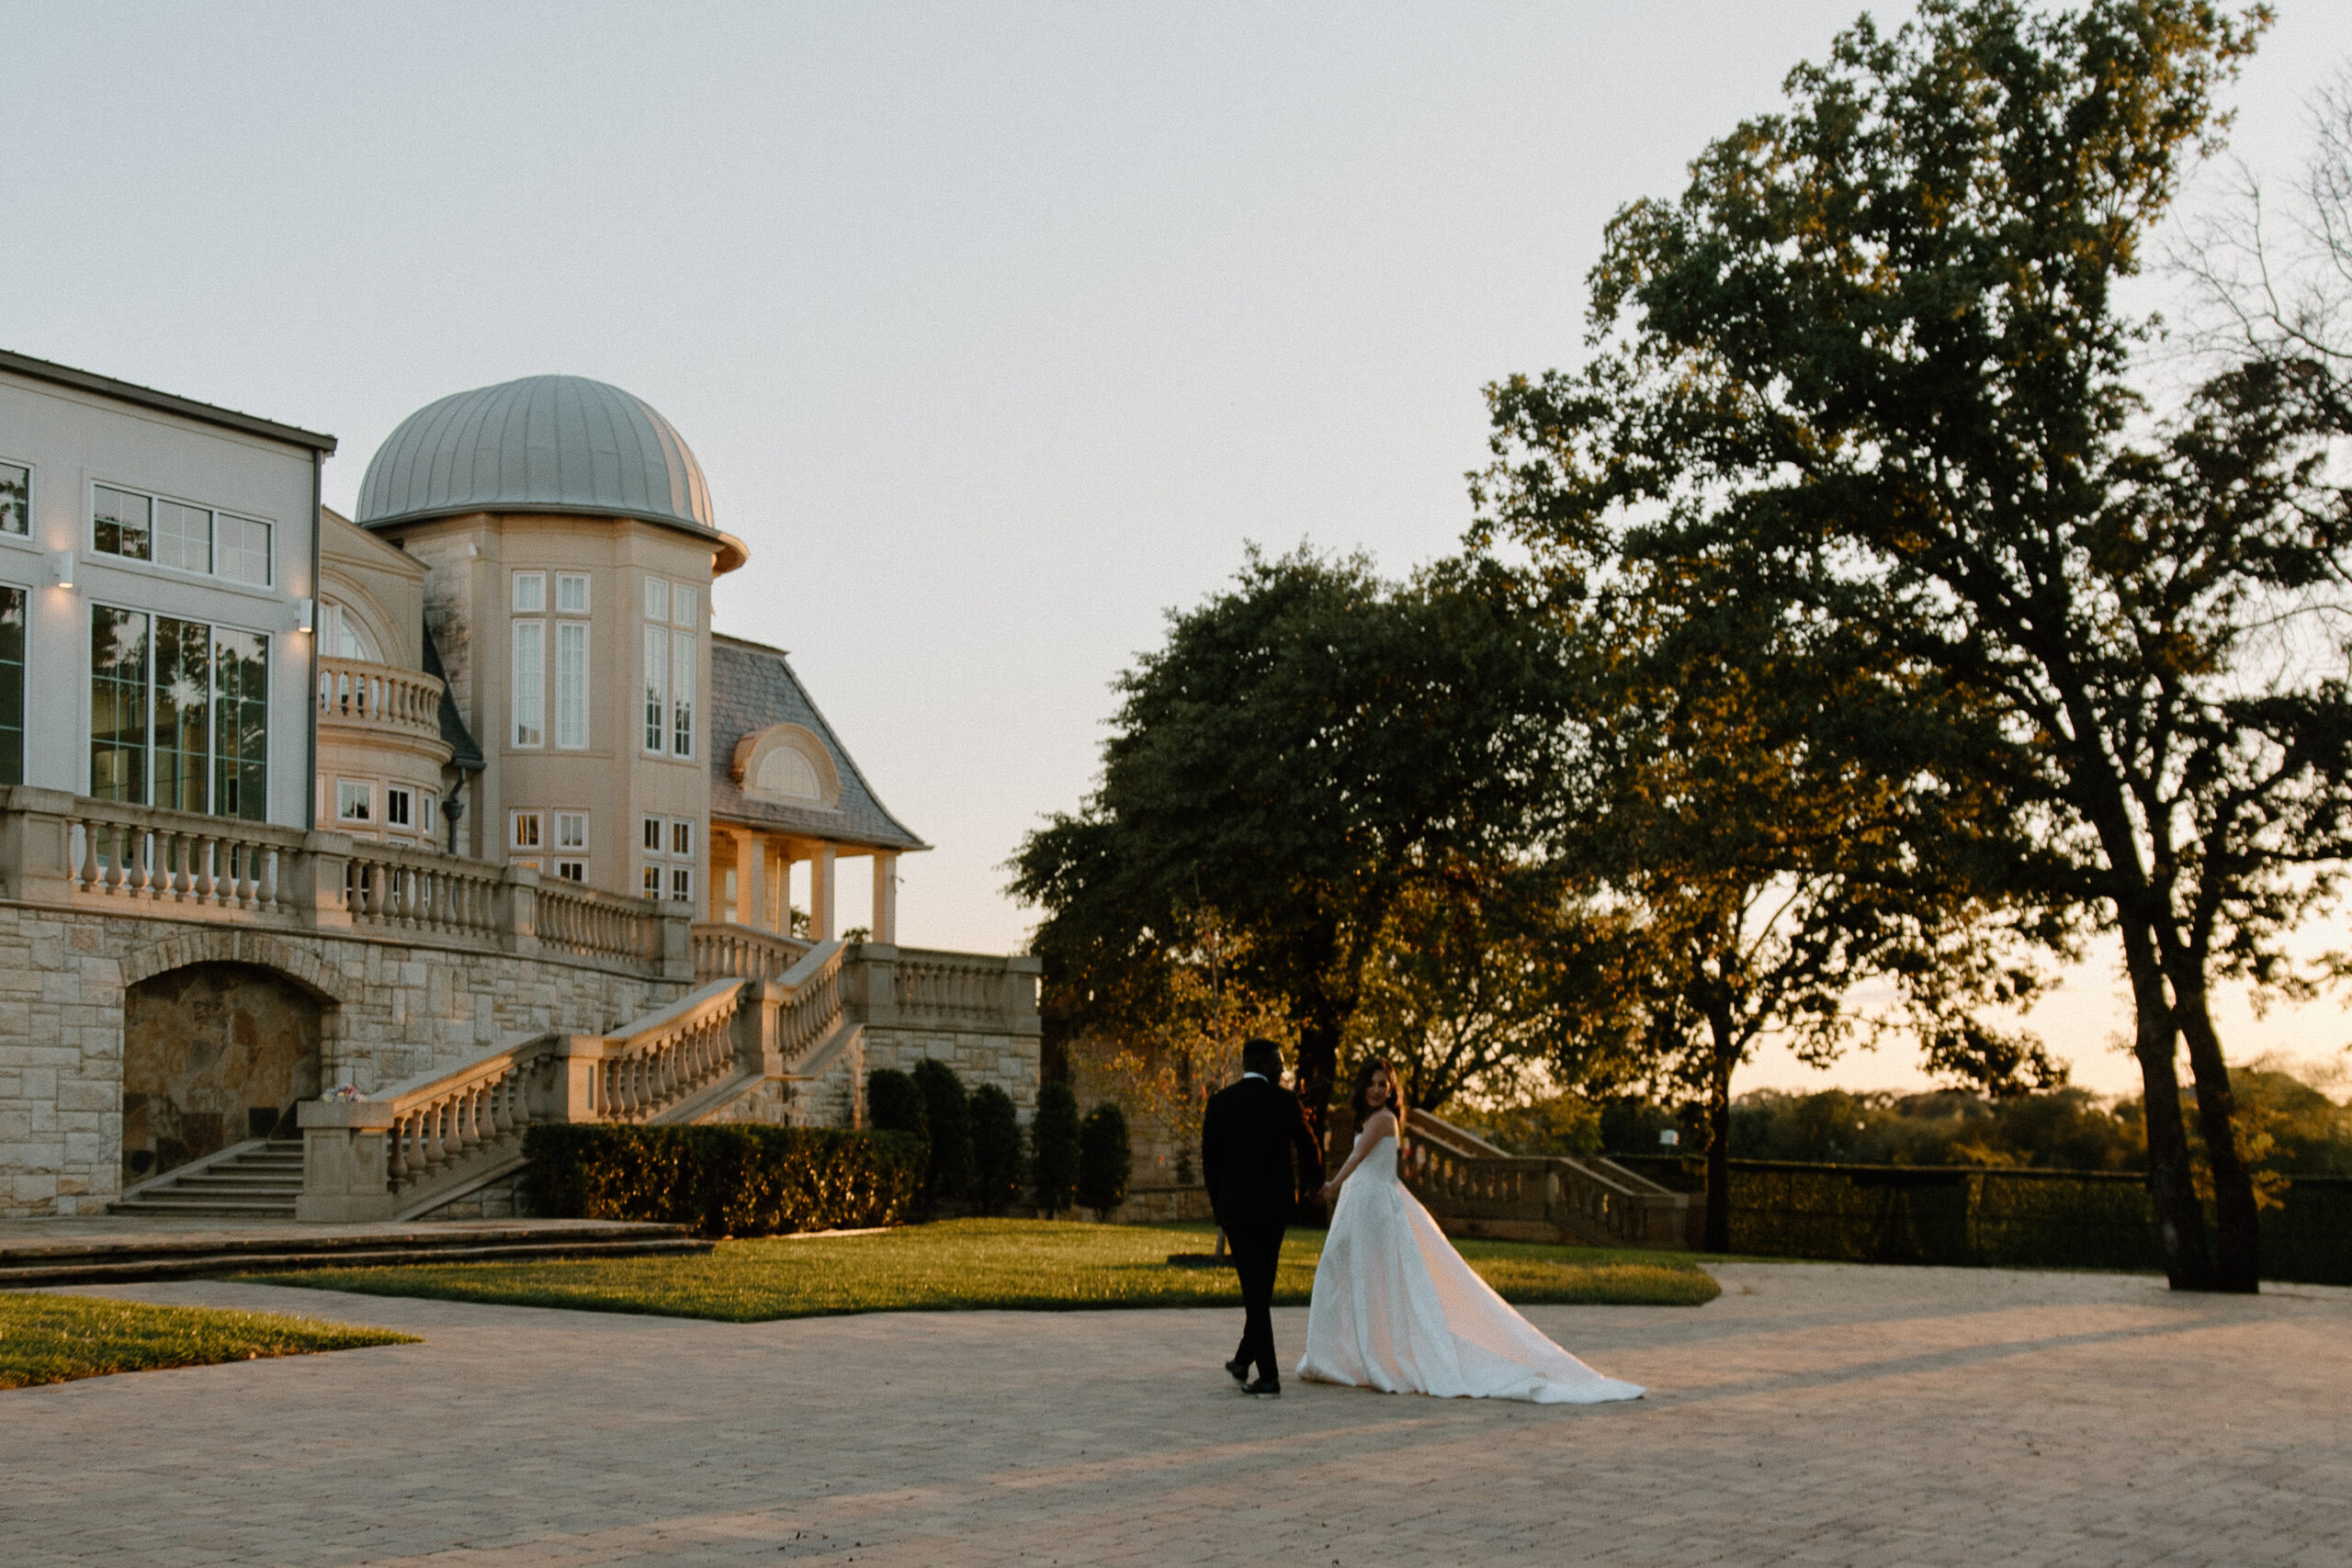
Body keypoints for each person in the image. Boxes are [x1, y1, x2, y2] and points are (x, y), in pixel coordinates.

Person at [1296, 1057, 1645, 1404]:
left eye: (1382, 1084)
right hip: (1364, 1201)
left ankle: (1376, 1356)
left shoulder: (1384, 1120)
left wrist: (1331, 1186)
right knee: (1349, 1273)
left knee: (1366, 1276)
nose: (1376, 1090)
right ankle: (1352, 1354)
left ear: (1391, 1091)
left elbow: (1357, 1156)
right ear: (1362, 1087)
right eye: (1371, 1084)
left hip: (1372, 1203)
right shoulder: (1372, 1118)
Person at [1200, 1036, 1324, 1396]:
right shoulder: (1285, 1102)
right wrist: (1314, 1183)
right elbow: (1309, 1145)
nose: (1283, 1070)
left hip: (1236, 1211)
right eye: (1279, 1063)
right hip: (1275, 1210)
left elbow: (1212, 1163)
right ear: (1262, 1063)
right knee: (1260, 1290)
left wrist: (1218, 1207)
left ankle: (1265, 1374)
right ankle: (1249, 1364)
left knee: (1256, 1292)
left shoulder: (1221, 1103)